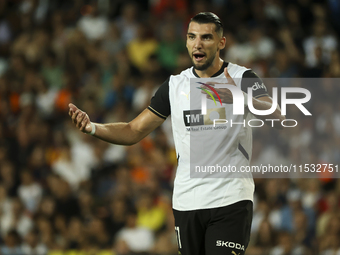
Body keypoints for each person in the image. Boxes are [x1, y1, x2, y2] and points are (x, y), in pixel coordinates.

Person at [69, 12, 285, 255]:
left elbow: (277, 115)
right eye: (192, 37)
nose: (198, 44)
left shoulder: (242, 78)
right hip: (187, 201)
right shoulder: (174, 86)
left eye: (206, 37)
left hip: (230, 198)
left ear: (221, 43)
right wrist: (93, 128)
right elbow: (133, 130)